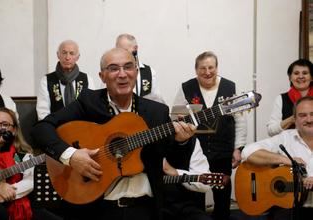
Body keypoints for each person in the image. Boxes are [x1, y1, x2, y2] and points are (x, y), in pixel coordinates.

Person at [30, 47, 196, 220]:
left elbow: (174, 164)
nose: (122, 74)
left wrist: (181, 142)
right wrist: (71, 156)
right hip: (96, 209)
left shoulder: (157, 112)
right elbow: (40, 129)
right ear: (102, 76)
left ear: (136, 72)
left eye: (128, 67)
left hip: (145, 208)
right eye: (114, 68)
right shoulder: (88, 102)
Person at [173, 51, 247, 220]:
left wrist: (238, 148)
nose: (207, 72)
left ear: (216, 67)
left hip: (223, 151)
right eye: (202, 68)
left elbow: (241, 121)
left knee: (222, 197)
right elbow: (176, 118)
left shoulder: (230, 87)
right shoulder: (186, 87)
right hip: (195, 154)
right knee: (195, 197)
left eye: (211, 67)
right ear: (196, 70)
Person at [242, 96, 313, 220]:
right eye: (303, 115)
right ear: (295, 120)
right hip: (288, 209)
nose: (309, 119)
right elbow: (248, 152)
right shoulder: (285, 138)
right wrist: (288, 160)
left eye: (312, 114)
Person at [0, 107, 62, 220]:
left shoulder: (23, 155)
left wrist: (3, 194)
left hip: (18, 200)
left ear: (14, 130)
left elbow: (31, 180)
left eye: (5, 124)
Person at [36, 39, 95, 120]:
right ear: (58, 55)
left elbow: (91, 109)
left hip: (81, 128)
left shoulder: (87, 79)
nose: (67, 57)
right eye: (64, 53)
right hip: (54, 128)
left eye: (71, 53)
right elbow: (42, 113)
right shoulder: (46, 80)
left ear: (77, 57)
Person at [162, 137, 213, 220]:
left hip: (180, 205)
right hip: (146, 204)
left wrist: (176, 172)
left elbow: (205, 185)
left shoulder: (192, 142)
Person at [267, 58, 313, 137]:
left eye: (305, 73)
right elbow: (271, 131)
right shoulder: (281, 99)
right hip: (288, 146)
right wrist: (291, 120)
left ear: (312, 77)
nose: (300, 76)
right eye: (296, 73)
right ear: (290, 78)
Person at [115, 33, 165, 103]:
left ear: (135, 49)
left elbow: (158, 101)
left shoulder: (149, 72)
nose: (121, 54)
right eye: (118, 51)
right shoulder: (112, 72)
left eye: (125, 50)